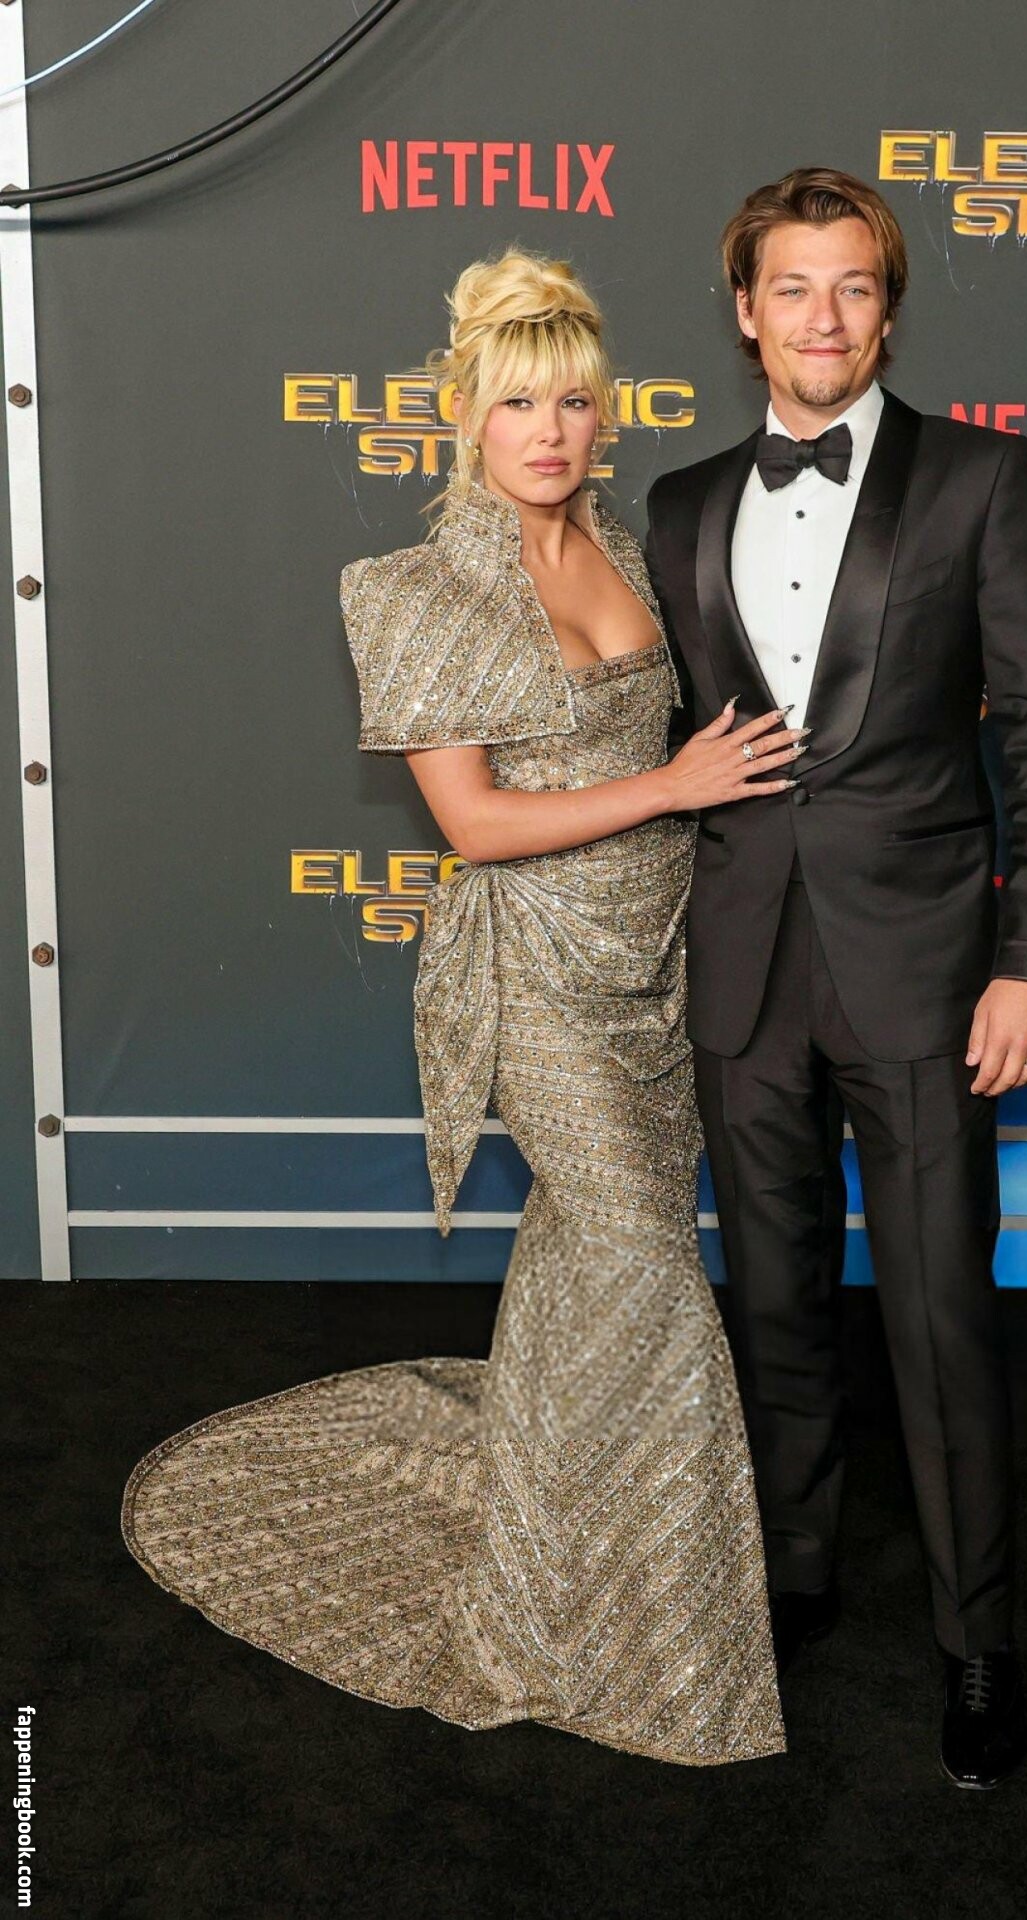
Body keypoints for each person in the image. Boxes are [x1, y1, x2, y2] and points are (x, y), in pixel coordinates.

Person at [121, 247, 804, 1767]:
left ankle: (566, 1500)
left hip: (664, 959)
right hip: (539, 977)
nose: (548, 433)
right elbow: (475, 825)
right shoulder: (411, 592)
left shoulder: (639, 548)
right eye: (516, 404)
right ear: (465, 416)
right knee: (647, 1264)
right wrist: (676, 784)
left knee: (596, 1252)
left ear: (603, 412)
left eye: (572, 402)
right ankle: (645, 1630)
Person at [644, 169, 1027, 1788]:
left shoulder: (980, 478)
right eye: (793, 286)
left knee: (939, 1314)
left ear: (887, 311)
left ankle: (979, 1642)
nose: (822, 316)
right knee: (773, 1303)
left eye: (852, 286)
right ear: (746, 310)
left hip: (924, 968)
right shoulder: (680, 504)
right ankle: (794, 1575)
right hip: (742, 967)